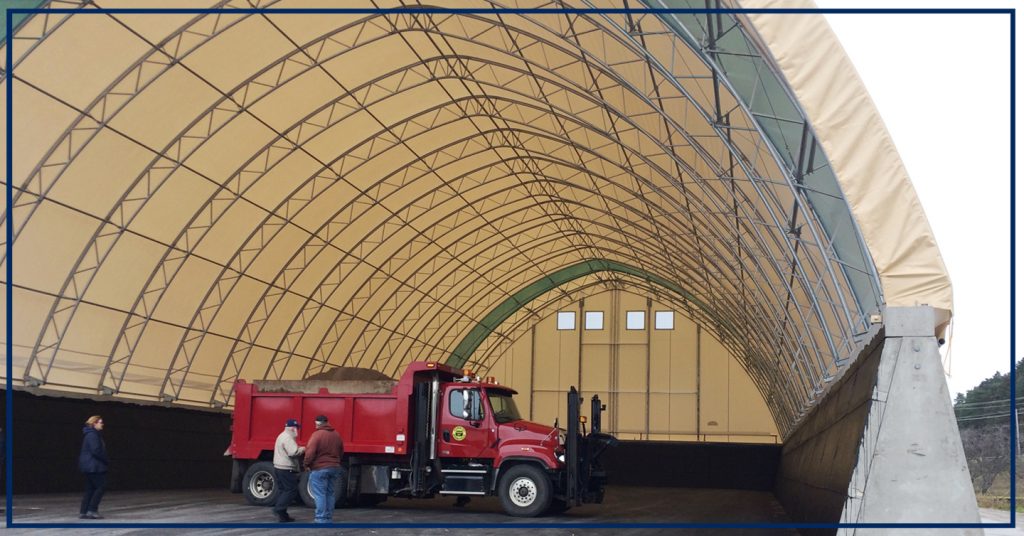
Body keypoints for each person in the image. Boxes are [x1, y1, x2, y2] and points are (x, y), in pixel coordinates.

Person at [303, 414, 343, 523]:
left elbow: (310, 452)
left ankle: (320, 518)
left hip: (319, 468)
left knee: (320, 494)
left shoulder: (317, 435)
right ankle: (328, 517)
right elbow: (341, 451)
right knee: (330, 493)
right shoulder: (336, 435)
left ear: (317, 423)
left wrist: (306, 464)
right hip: (334, 467)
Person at [271, 418, 305, 523]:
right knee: (291, 489)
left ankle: (283, 516)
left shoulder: (282, 436)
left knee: (283, 490)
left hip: (279, 467)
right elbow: (293, 452)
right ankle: (279, 509)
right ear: (292, 428)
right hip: (286, 468)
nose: (297, 430)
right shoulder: (288, 438)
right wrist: (304, 448)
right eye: (296, 428)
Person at [78, 415, 108, 519]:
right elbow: (96, 451)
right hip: (94, 466)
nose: (102, 424)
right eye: (100, 422)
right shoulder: (93, 435)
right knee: (101, 486)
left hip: (88, 466)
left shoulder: (90, 434)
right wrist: (106, 460)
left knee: (90, 488)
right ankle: (92, 510)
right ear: (94, 423)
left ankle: (84, 511)